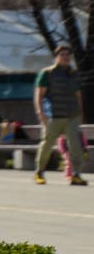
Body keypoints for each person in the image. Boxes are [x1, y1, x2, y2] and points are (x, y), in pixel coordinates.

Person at [33, 44, 87, 186]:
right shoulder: (47, 73)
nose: (65, 57)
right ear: (56, 57)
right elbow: (39, 95)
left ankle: (76, 174)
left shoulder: (74, 74)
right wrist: (40, 113)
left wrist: (81, 113)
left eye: (67, 55)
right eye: (62, 55)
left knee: (76, 145)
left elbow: (78, 95)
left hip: (72, 116)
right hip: (54, 116)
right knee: (47, 144)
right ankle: (39, 172)